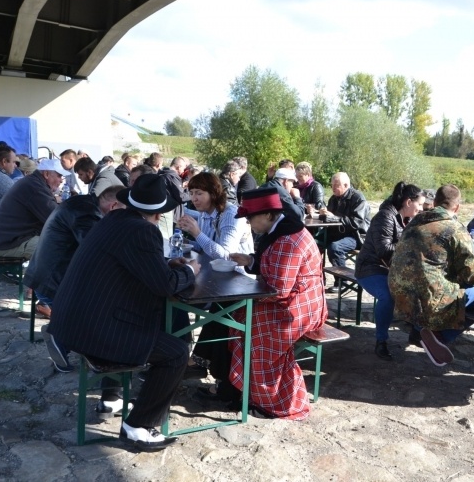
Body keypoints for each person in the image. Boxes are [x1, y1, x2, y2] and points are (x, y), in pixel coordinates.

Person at [46, 174, 199, 450]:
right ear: (157, 213)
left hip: (73, 320)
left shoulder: (114, 220)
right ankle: (138, 425)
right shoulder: (143, 231)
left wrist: (165, 261)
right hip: (95, 329)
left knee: (157, 325)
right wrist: (189, 270)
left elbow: (135, 262)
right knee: (176, 353)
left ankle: (112, 395)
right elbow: (164, 285)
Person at [228, 187, 327, 419]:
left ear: (268, 215)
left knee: (254, 330)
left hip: (300, 308)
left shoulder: (288, 240)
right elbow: (273, 272)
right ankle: (245, 390)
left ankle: (280, 404)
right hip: (291, 301)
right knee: (237, 317)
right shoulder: (279, 231)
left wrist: (247, 290)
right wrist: (251, 261)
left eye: (250, 218)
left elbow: (279, 290)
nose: (248, 223)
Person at [176, 172, 254, 394]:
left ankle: (194, 363)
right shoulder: (205, 213)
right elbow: (203, 250)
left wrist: (197, 233)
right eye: (191, 193)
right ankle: (183, 356)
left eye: (199, 193)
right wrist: (185, 245)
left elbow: (225, 255)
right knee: (175, 298)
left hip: (239, 281)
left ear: (213, 192)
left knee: (218, 312)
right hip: (215, 278)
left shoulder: (231, 214)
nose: (194, 198)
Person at [388, 185, 474, 367]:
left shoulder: (414, 221)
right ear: (457, 207)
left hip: (398, 291)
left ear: (435, 202)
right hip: (426, 297)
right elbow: (472, 275)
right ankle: (440, 337)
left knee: (434, 284)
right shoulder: (455, 228)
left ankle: (422, 331)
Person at [24, 185, 125, 324]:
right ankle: (63, 339)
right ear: (113, 206)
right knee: (99, 315)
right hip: (52, 284)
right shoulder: (85, 214)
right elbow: (97, 251)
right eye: (127, 213)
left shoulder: (85, 204)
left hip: (45, 277)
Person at [355, 182, 424, 360]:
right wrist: (410, 243)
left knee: (423, 285)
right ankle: (381, 342)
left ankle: (417, 333)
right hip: (369, 268)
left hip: (391, 268)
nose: (421, 208)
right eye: (420, 204)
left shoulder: (407, 219)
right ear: (409, 202)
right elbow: (383, 250)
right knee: (388, 294)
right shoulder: (385, 217)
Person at [0, 158, 70, 260]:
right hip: (6, 243)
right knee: (60, 249)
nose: (61, 180)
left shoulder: (33, 182)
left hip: (3, 239)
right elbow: (56, 217)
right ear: (46, 174)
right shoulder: (36, 188)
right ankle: (42, 276)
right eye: (59, 176)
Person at [319, 172, 370, 290]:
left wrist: (333, 217)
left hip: (356, 235)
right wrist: (321, 214)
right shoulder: (333, 199)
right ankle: (318, 279)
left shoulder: (358, 198)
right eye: (332, 185)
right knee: (315, 243)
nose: (333, 188)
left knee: (335, 247)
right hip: (337, 232)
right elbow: (330, 218)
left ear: (346, 185)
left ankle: (343, 281)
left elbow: (356, 222)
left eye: (336, 185)